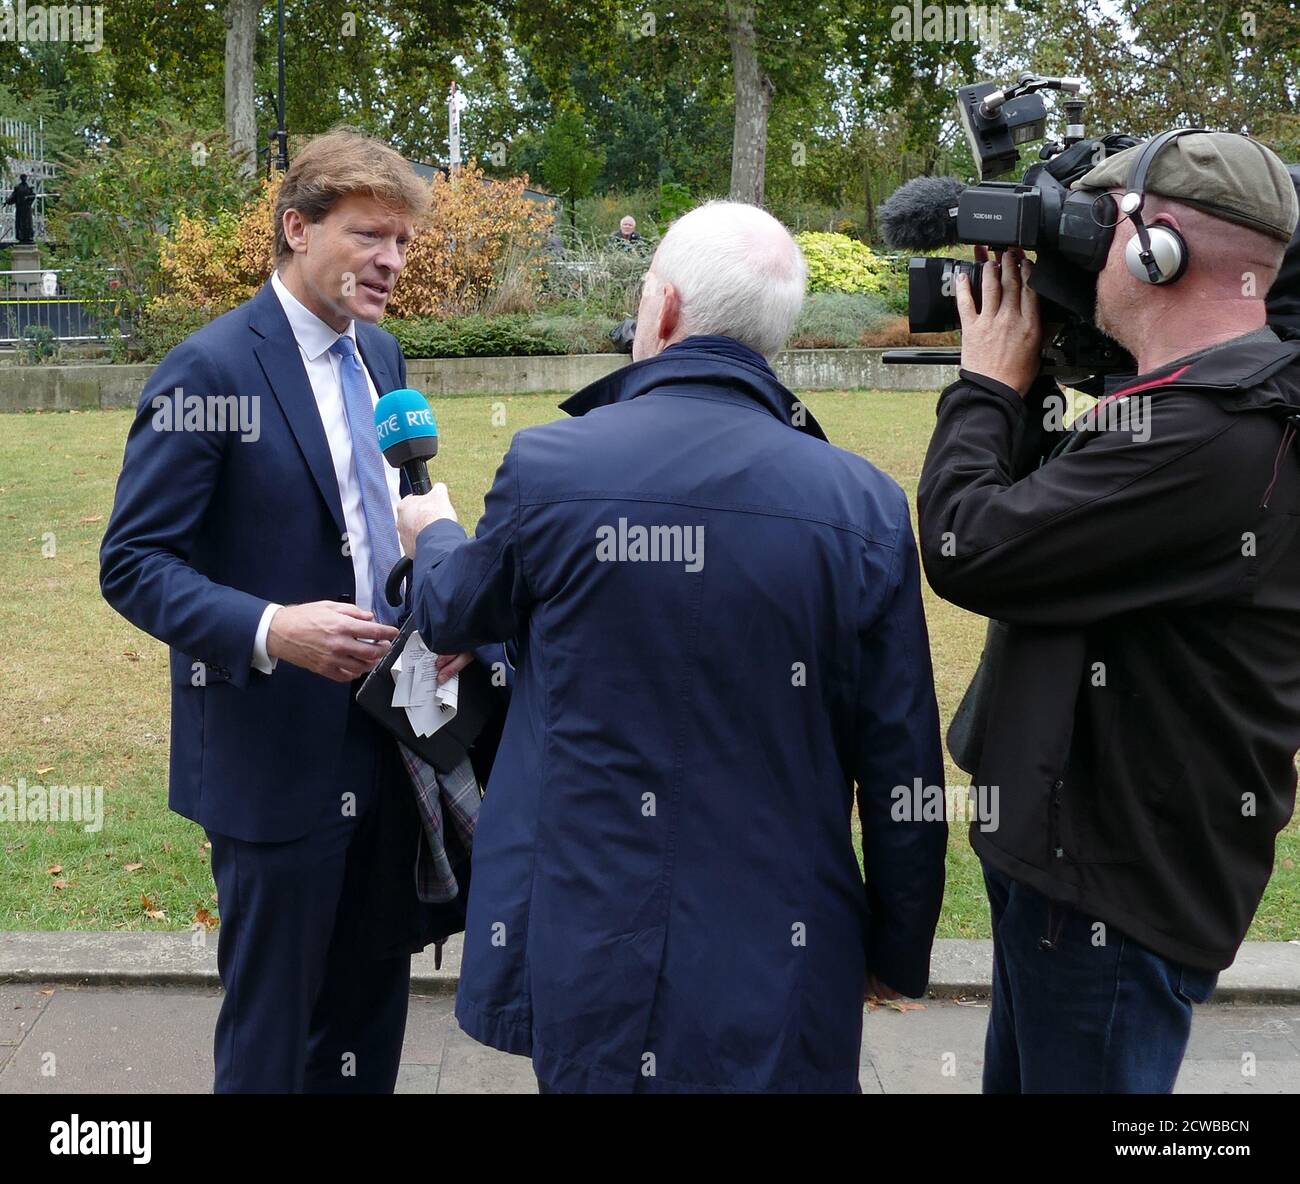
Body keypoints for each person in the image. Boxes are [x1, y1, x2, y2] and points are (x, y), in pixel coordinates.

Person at [395, 200, 947, 1093]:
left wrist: (433, 533)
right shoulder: (864, 506)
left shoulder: (553, 468)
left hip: (592, 936)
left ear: (664, 306)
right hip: (781, 956)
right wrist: (896, 948)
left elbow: (452, 611)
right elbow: (902, 767)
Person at [918, 131, 1300, 1093]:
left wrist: (983, 386)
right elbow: (1055, 540)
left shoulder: (1206, 434)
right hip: (1080, 863)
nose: (1085, 252)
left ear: (1157, 248)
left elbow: (969, 545)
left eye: (1102, 225)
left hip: (1106, 893)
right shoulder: (1203, 402)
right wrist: (1029, 390)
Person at [100, 128, 470, 1092]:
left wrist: (440, 611)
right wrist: (273, 629)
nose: (390, 261)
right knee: (273, 1036)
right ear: (297, 229)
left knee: (369, 1018)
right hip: (274, 757)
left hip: (395, 737)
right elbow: (133, 563)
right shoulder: (209, 371)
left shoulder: (381, 355)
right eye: (368, 235)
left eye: (402, 241)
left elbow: (387, 519)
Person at [5, 173, 35, 243]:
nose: (24, 179)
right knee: (20, 223)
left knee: (28, 223)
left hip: (27, 208)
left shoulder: (29, 187)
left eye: (25, 177)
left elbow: (33, 196)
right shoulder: (17, 187)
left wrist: (29, 199)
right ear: (21, 178)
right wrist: (7, 201)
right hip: (20, 208)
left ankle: (28, 237)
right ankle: (21, 237)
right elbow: (13, 196)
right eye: (23, 177)